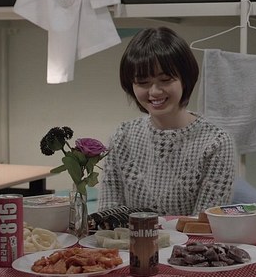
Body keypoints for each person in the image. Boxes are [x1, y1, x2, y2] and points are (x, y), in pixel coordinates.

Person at [98, 26, 236, 216]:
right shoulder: (123, 136)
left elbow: (204, 224)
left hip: (190, 237)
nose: (154, 91)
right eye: (143, 83)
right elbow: (108, 214)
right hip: (129, 236)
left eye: (165, 79)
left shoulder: (216, 142)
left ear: (185, 79)